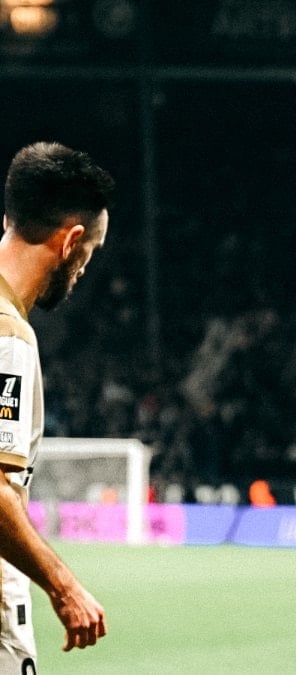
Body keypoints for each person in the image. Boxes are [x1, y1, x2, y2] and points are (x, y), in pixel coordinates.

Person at [0, 141, 114, 670]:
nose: (85, 267)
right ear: (70, 240)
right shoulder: (7, 336)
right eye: (91, 251)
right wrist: (64, 587)